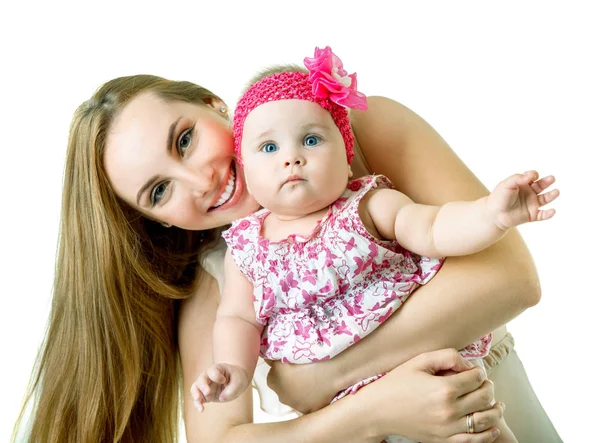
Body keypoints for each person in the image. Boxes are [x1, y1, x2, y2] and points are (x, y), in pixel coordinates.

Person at [12, 52, 563, 442]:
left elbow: (510, 279)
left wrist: (320, 377)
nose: (200, 181)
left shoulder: (363, 142)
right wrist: (372, 411)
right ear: (155, 220)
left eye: (185, 139)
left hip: (495, 407)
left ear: (215, 106)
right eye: (160, 191)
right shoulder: (223, 270)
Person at [189, 48, 558, 442]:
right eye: (269, 148)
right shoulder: (246, 249)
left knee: (472, 427)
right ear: (245, 165)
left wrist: (490, 215)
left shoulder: (367, 206)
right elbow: (239, 319)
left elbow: (434, 229)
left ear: (347, 158)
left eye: (311, 139)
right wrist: (234, 368)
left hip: (423, 366)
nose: (292, 158)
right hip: (350, 409)